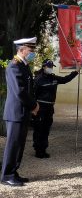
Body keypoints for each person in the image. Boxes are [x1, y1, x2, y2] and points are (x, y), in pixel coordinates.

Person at [1, 37, 39, 187]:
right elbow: (20, 91)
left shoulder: (24, 65)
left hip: (22, 112)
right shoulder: (14, 66)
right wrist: (33, 106)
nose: (33, 53)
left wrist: (32, 105)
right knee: (13, 144)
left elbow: (28, 89)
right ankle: (6, 175)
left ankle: (13, 172)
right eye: (30, 51)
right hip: (15, 113)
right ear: (21, 50)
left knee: (19, 145)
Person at [32, 59, 79, 158]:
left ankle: (43, 149)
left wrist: (76, 72)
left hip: (50, 107)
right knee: (39, 129)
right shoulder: (38, 79)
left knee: (46, 129)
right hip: (41, 107)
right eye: (49, 66)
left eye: (52, 67)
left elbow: (65, 79)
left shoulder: (53, 78)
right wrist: (34, 107)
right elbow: (33, 94)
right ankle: (38, 149)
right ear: (44, 67)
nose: (50, 68)